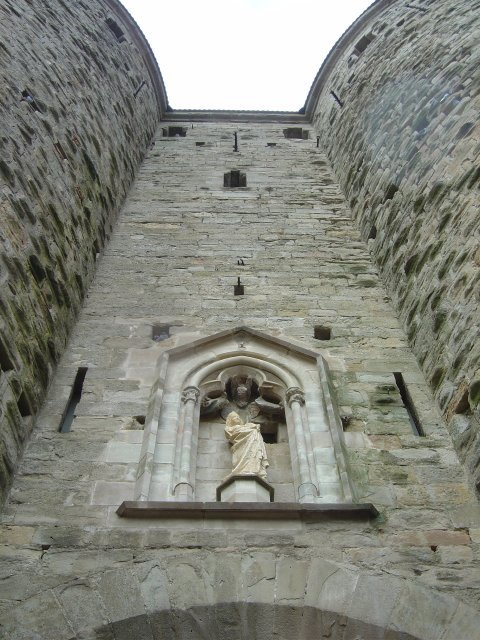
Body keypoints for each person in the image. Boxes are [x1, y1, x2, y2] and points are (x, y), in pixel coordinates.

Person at [224, 411, 269, 480]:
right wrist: (252, 427)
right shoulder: (229, 429)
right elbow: (239, 433)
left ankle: (253, 469)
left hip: (251, 445)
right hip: (240, 449)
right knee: (253, 432)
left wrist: (252, 427)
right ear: (231, 419)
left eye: (238, 417)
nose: (237, 418)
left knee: (253, 454)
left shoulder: (247, 427)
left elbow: (247, 430)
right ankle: (242, 470)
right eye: (235, 417)